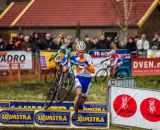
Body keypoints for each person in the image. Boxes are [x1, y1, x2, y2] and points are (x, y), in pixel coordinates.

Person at [61, 41, 95, 120]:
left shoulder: (88, 57)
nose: (80, 54)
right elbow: (64, 59)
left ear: (84, 50)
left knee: (82, 99)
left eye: (82, 52)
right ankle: (76, 114)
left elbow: (93, 71)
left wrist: (88, 68)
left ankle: (80, 104)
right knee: (79, 94)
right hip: (79, 77)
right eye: (79, 52)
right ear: (76, 50)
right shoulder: (73, 56)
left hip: (87, 79)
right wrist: (64, 66)